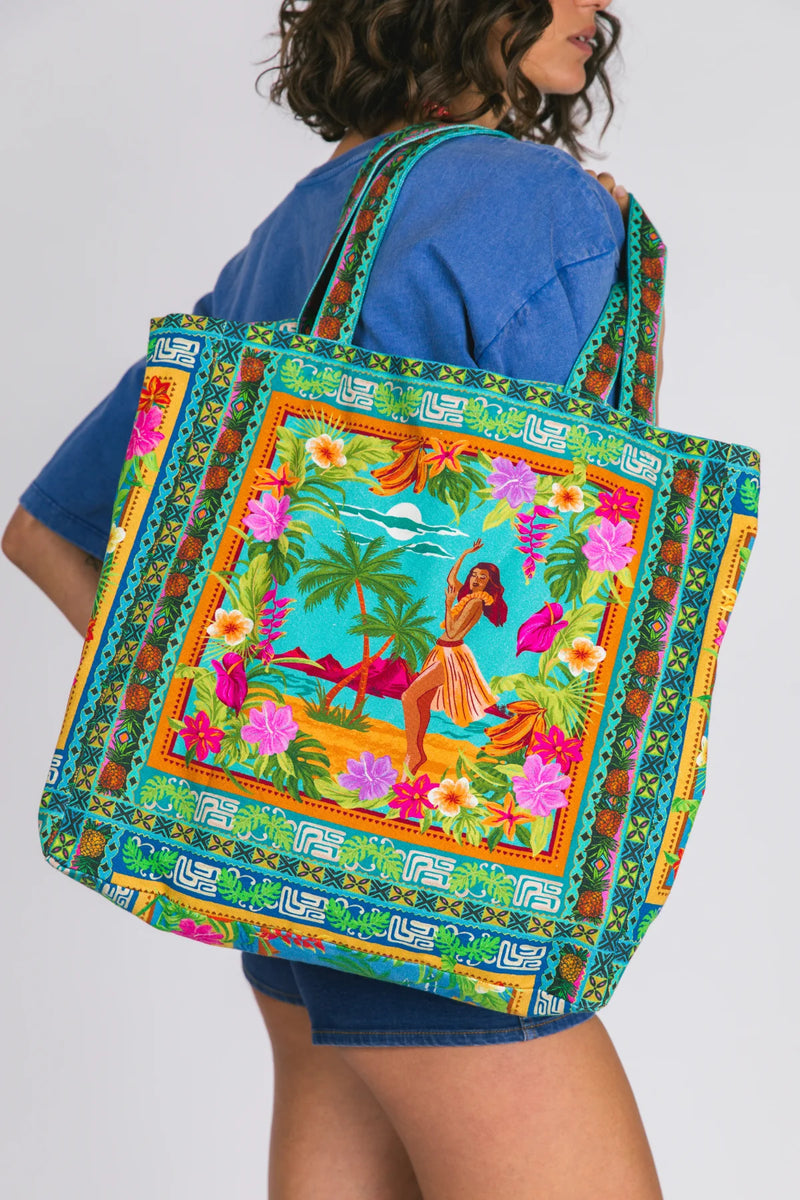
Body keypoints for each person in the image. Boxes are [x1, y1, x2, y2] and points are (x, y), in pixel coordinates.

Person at [3, 1, 665, 1196]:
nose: (597, 9)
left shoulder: (307, 217)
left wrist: (219, 703)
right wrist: (615, 277)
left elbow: (45, 530)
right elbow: (573, 574)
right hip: (448, 889)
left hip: (282, 879)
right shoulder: (541, 203)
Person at [402, 539, 507, 771]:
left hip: (451, 656)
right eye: (474, 575)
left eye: (483, 577)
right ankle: (417, 752)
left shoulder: (476, 602)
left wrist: (448, 603)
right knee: (421, 701)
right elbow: (451, 579)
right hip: (440, 651)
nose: (476, 580)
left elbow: (451, 631)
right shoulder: (467, 595)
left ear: (489, 584)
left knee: (409, 697)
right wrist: (465, 553)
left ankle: (413, 751)